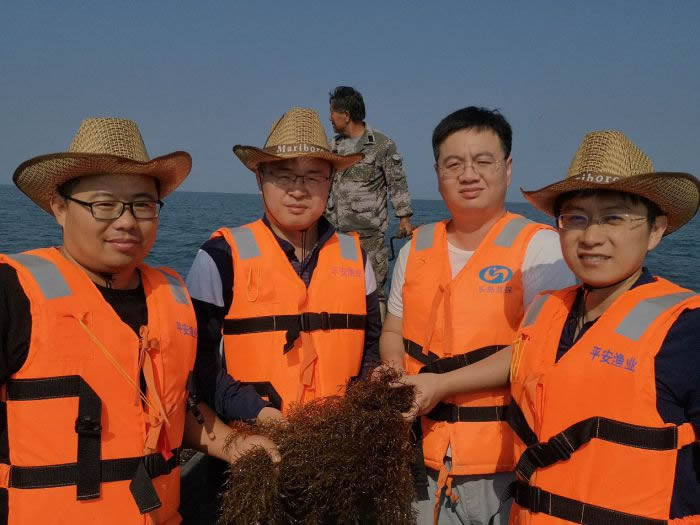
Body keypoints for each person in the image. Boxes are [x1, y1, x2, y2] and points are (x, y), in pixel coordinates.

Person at [398, 130, 700, 523]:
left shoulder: (685, 331)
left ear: (655, 229)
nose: (591, 237)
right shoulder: (545, 313)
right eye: (575, 218)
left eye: (614, 218)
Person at [0, 118, 277, 524]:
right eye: (104, 204)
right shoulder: (14, 292)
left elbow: (178, 411)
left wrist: (235, 444)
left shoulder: (173, 297)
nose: (127, 221)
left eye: (142, 205)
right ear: (59, 207)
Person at [379, 106, 575, 524]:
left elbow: (537, 352)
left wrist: (441, 384)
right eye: (453, 164)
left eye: (483, 161)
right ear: (438, 173)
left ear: (507, 167)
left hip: (501, 464)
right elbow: (393, 327)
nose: (468, 174)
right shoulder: (415, 248)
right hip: (417, 456)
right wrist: (394, 371)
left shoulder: (541, 250)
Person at [186, 106, 382, 416]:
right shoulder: (220, 257)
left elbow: (372, 346)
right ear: (260, 177)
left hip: (342, 430)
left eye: (313, 176)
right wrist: (255, 412)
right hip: (251, 435)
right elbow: (197, 361)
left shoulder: (356, 258)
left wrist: (360, 401)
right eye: (283, 175)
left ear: (330, 181)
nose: (298, 190)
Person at [326, 86, 414, 313]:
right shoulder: (331, 147)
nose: (330, 117)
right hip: (334, 237)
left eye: (332, 112)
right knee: (336, 292)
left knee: (374, 296)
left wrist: (404, 218)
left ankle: (378, 334)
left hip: (369, 238)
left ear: (346, 115)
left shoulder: (382, 145)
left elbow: (397, 182)